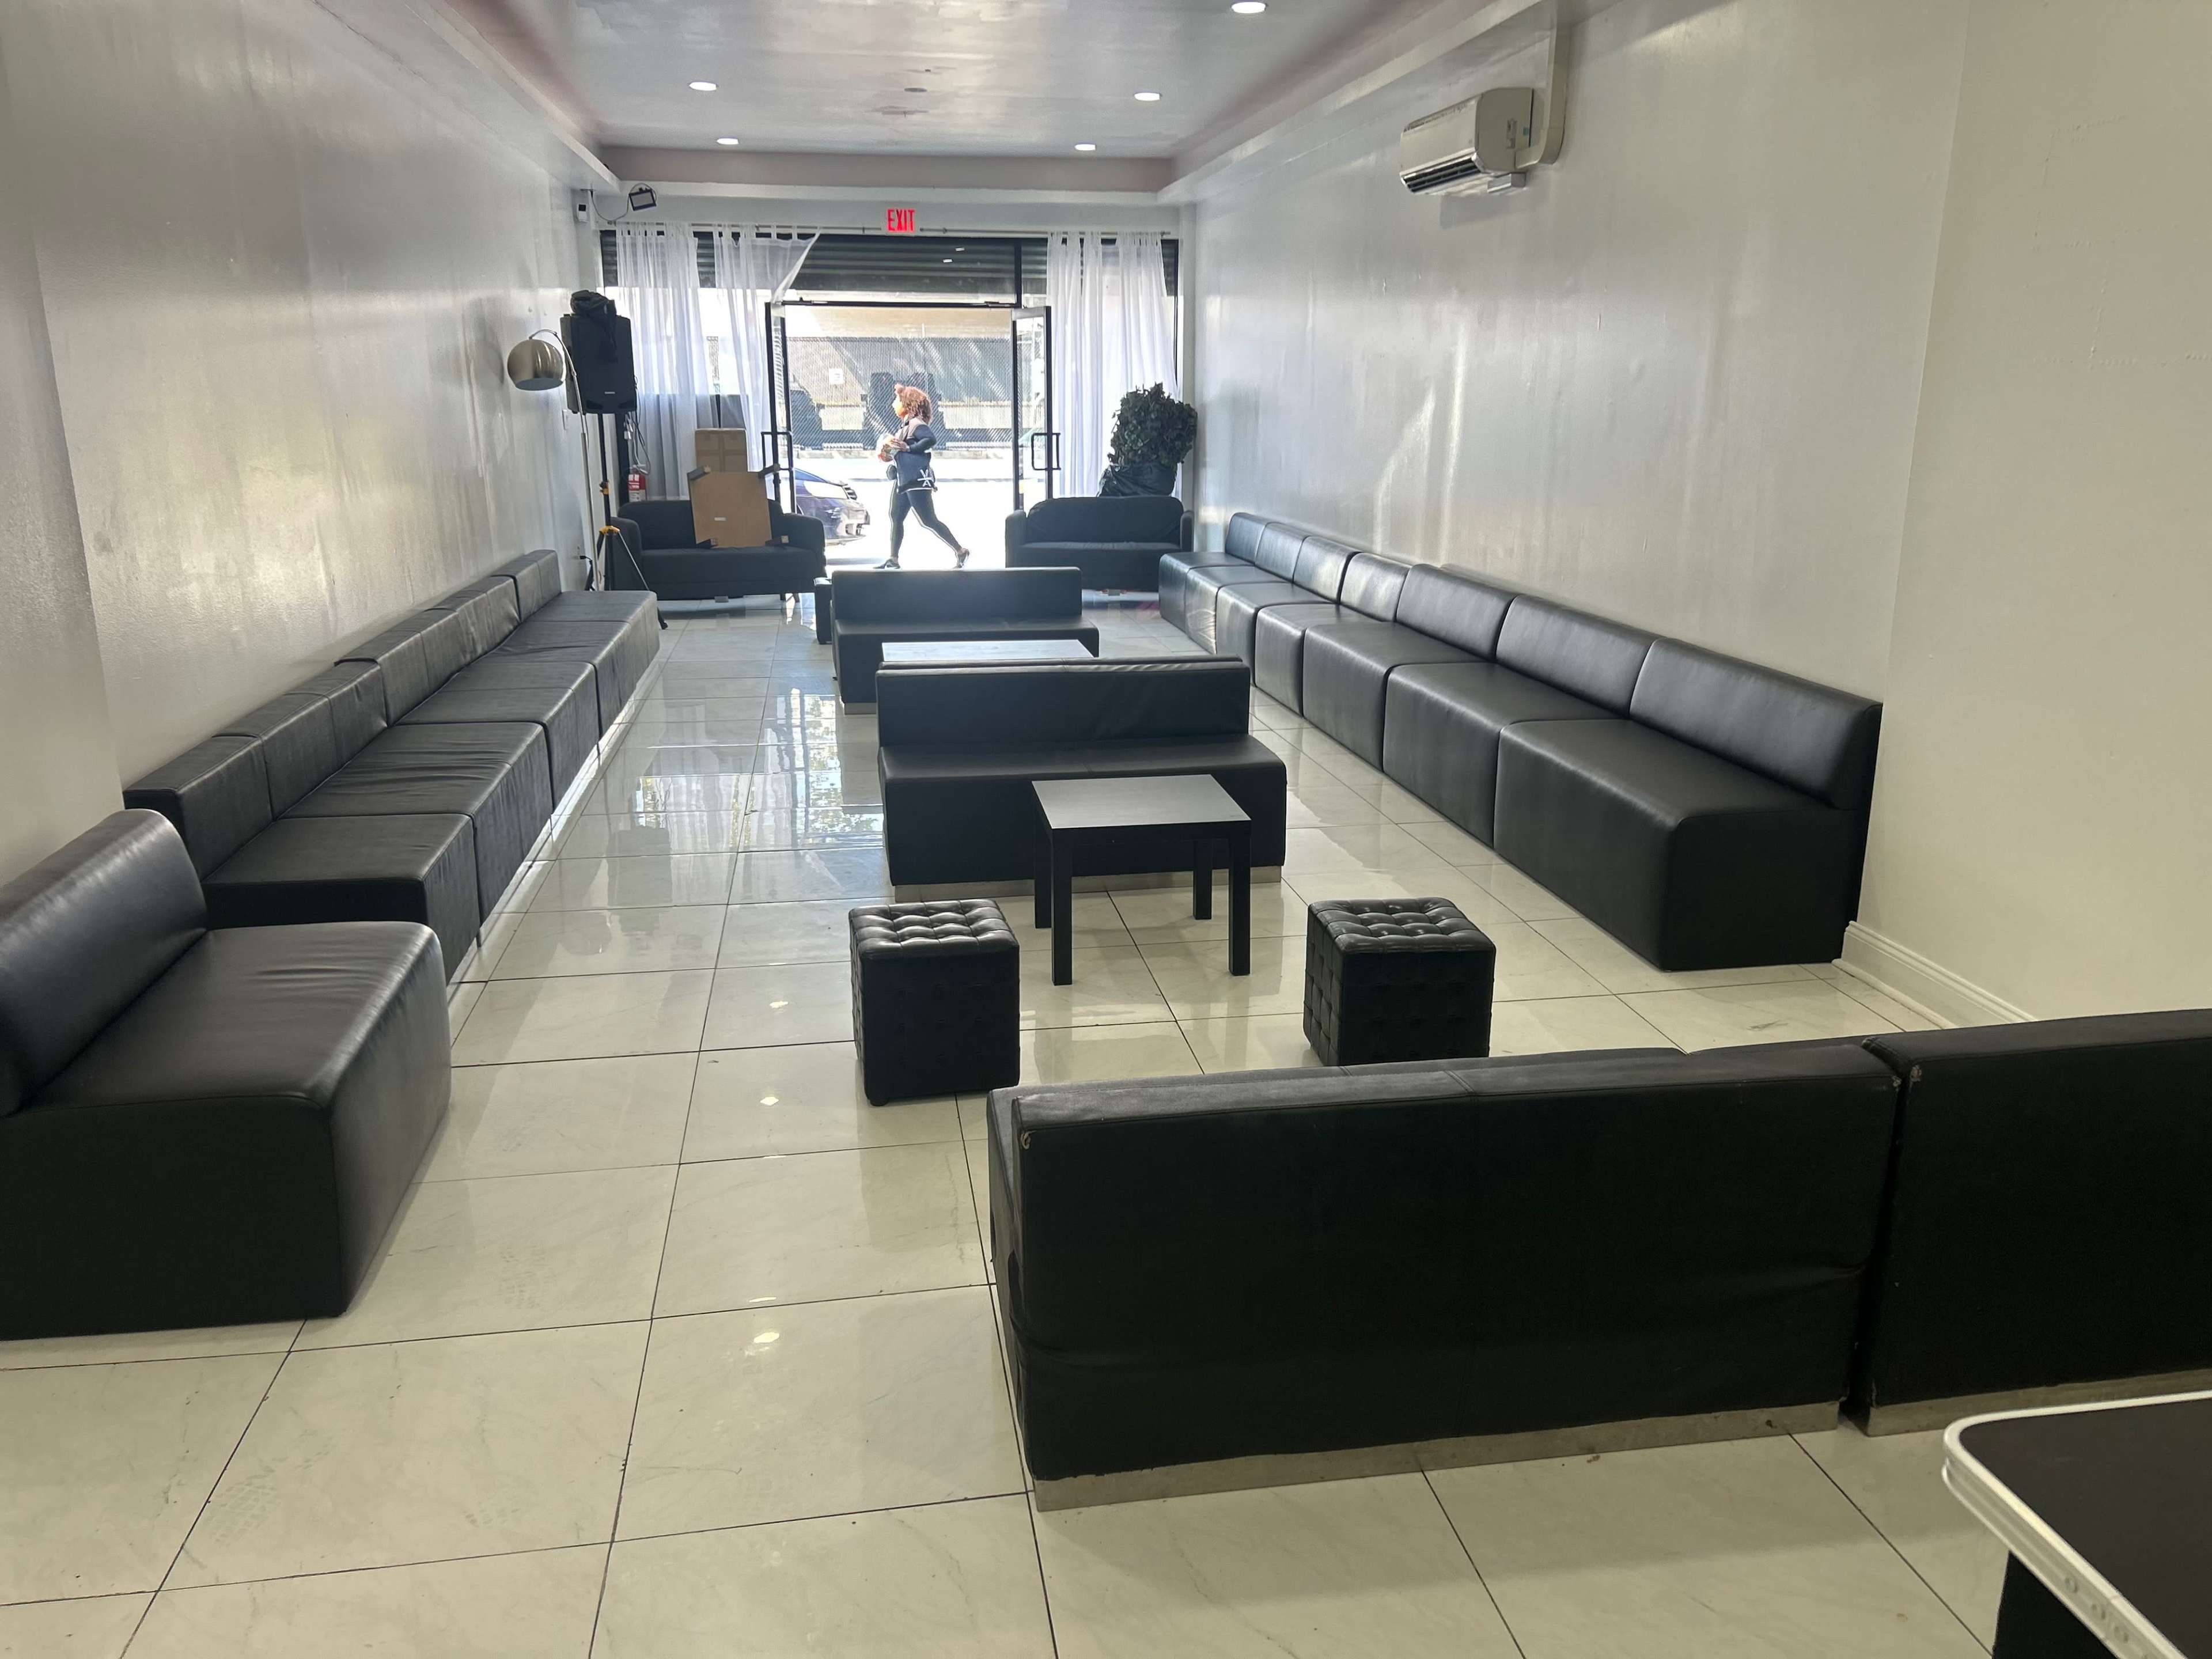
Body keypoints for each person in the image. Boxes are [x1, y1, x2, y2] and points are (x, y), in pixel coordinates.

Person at [876, 385, 974, 569]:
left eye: (897, 400)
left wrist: (908, 448)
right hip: (905, 481)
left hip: (917, 481)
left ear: (907, 403)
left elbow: (930, 439)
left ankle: (961, 551)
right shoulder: (906, 426)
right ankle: (893, 559)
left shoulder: (916, 424)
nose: (894, 404)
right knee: (896, 516)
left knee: (928, 519)